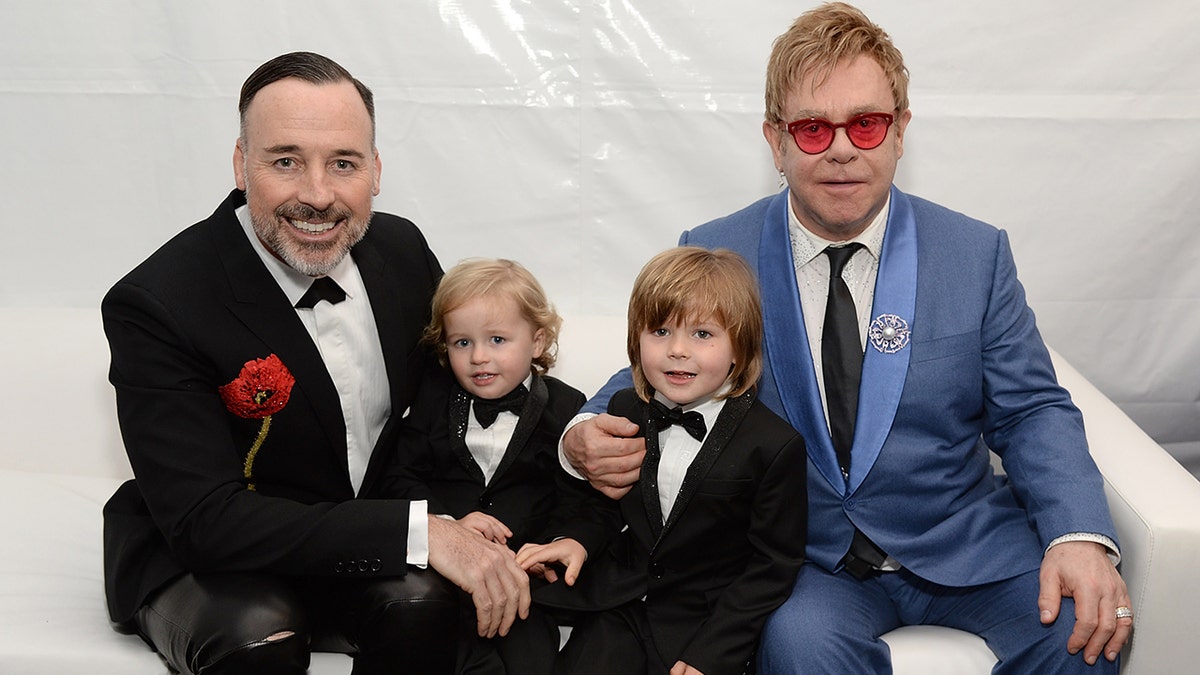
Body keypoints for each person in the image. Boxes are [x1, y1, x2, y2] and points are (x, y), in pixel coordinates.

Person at [561, 4, 1133, 673]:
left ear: (899, 133)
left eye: (865, 123)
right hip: (808, 562)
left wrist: (1078, 535)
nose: (840, 148)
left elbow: (1032, 410)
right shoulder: (718, 251)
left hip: (965, 544)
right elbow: (648, 376)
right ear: (774, 140)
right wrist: (583, 432)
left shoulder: (975, 254)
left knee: (1086, 630)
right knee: (798, 646)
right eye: (811, 128)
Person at [100, 52, 529, 675]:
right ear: (241, 164)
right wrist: (419, 532)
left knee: (423, 611)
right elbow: (204, 522)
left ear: (376, 171)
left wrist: (580, 432)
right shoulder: (158, 302)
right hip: (216, 556)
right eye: (285, 161)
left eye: (343, 163)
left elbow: (469, 383)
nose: (318, 195)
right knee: (257, 641)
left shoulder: (401, 250)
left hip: (359, 540)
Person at [521, 246, 808, 675]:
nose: (677, 350)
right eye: (659, 331)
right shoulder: (623, 407)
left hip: (702, 627)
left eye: (702, 334)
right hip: (618, 608)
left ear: (740, 348)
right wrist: (577, 540)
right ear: (635, 340)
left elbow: (772, 566)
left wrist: (714, 652)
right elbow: (600, 503)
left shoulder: (773, 444)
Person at [398, 258, 600, 673]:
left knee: (534, 662)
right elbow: (398, 475)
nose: (479, 358)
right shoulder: (431, 399)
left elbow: (587, 500)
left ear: (538, 341)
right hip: (445, 582)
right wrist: (447, 521)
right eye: (462, 343)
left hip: (530, 584)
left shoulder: (568, 408)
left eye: (497, 340)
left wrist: (565, 541)